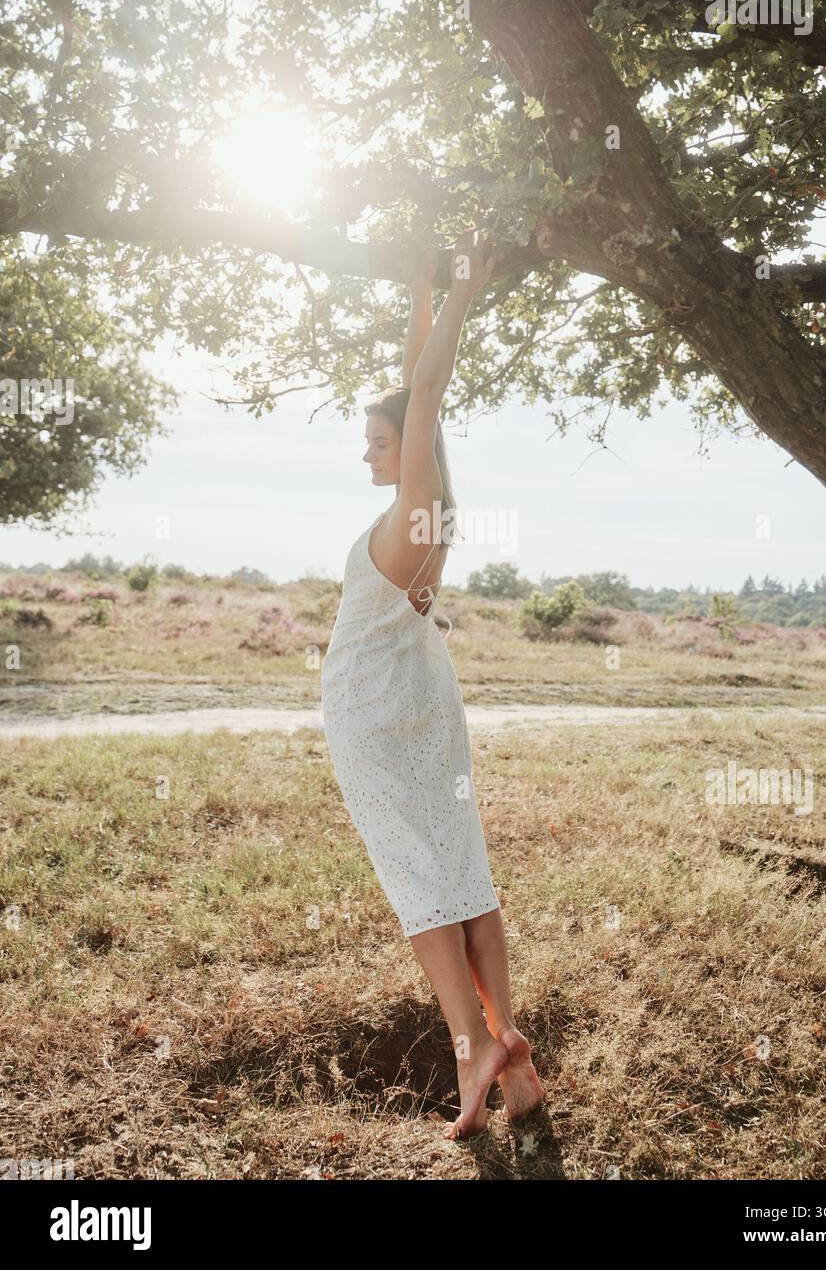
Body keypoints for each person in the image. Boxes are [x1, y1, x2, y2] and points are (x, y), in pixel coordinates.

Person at [321, 229, 544, 1139]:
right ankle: (513, 1061)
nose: (369, 455)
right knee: (464, 877)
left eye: (378, 442)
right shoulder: (428, 518)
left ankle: (471, 1050)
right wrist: (425, 296)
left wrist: (460, 291)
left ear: (403, 443)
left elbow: (425, 393)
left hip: (376, 720)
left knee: (422, 889)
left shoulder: (402, 521)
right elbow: (425, 401)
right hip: (426, 708)